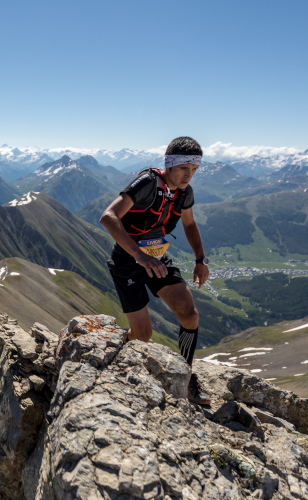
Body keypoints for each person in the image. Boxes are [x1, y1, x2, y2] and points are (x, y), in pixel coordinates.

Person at [99, 136, 212, 405]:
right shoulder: (148, 183)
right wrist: (138, 255)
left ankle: (186, 377)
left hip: (157, 257)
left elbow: (189, 224)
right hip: (129, 261)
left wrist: (200, 259)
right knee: (142, 336)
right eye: (184, 167)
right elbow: (108, 217)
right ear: (169, 164)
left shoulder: (185, 193)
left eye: (194, 169)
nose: (189, 175)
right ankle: (120, 344)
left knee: (189, 314)